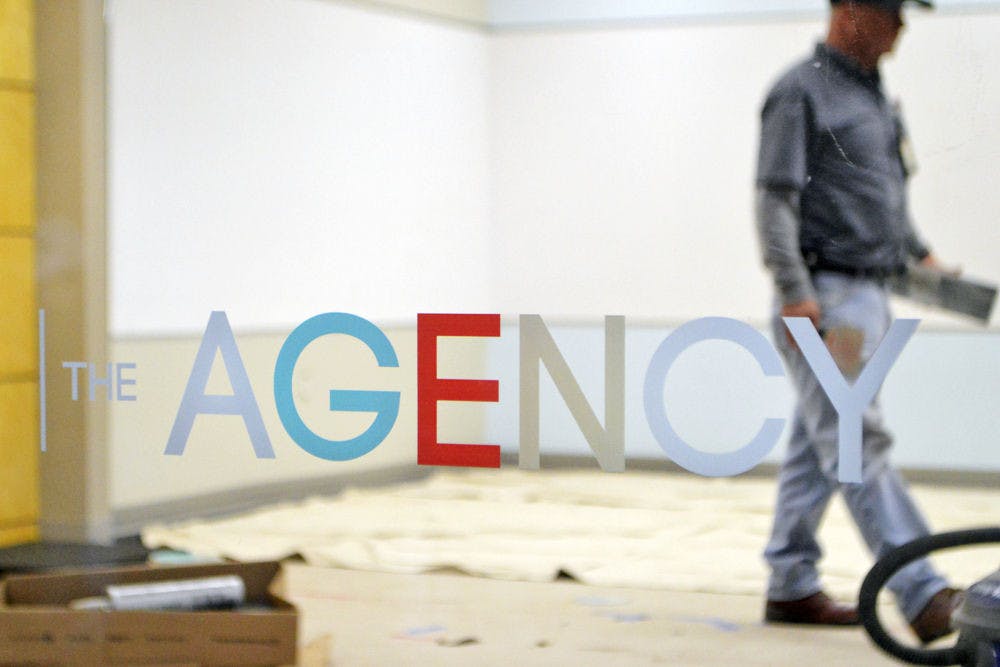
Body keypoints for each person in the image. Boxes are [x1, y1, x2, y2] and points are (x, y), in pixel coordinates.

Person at [754, 0, 962, 644]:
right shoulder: (799, 91)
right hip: (826, 297)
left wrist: (920, 255)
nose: (901, 26)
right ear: (848, 12)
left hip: (868, 294)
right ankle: (922, 590)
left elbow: (883, 195)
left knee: (817, 445)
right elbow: (774, 197)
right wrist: (794, 291)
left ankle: (790, 583)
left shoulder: (872, 97)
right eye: (890, 12)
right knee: (852, 440)